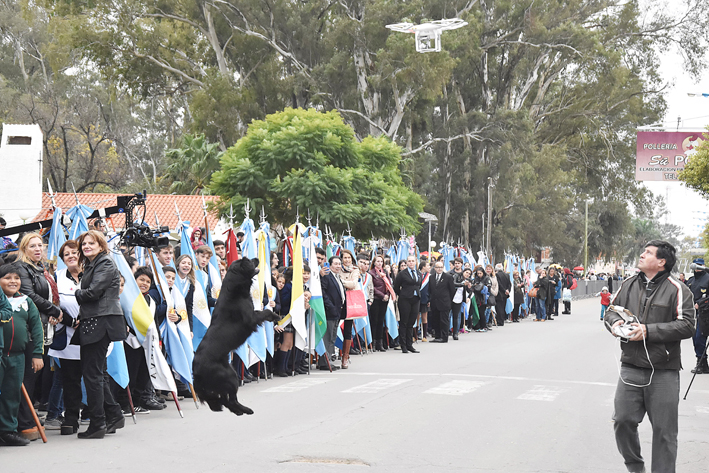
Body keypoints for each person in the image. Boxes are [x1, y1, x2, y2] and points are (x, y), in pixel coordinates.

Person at [606, 240, 695, 473]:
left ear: (661, 262)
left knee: (665, 432)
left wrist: (649, 331)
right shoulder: (628, 284)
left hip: (664, 371)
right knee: (622, 421)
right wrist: (615, 325)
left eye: (648, 253)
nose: (642, 255)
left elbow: (687, 325)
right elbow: (611, 311)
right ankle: (636, 467)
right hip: (630, 366)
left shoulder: (678, 289)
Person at [73, 230, 128, 439]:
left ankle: (97, 424)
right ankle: (113, 414)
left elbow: (92, 293)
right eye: (84, 244)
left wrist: (76, 293)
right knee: (97, 372)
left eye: (91, 243)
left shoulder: (104, 263)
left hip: (100, 321)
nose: (86, 246)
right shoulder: (94, 263)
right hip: (96, 320)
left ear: (101, 245)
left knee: (93, 374)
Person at [13, 232, 62, 440]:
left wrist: (55, 312)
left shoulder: (41, 269)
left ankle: (27, 417)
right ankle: (24, 423)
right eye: (32, 246)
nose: (37, 249)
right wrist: (54, 310)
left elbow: (49, 295)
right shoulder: (21, 268)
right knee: (27, 378)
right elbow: (29, 295)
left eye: (40, 245)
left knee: (34, 376)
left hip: (45, 329)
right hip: (30, 330)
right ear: (24, 249)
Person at [0, 265, 44, 446]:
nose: (13, 281)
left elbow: (36, 328)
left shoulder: (26, 301)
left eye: (16, 278)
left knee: (12, 396)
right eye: (7, 277)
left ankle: (7, 432)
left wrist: (37, 354)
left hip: (17, 357)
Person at [49, 241, 84, 435]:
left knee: (95, 378)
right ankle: (71, 418)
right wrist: (69, 321)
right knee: (70, 380)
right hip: (67, 335)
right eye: (66, 254)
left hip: (92, 333)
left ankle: (98, 415)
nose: (71, 256)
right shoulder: (57, 277)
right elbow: (52, 302)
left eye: (74, 252)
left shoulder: (93, 273)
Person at [319, 256, 346, 370]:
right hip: (329, 311)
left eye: (339, 264)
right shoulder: (327, 277)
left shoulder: (337, 277)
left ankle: (327, 360)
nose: (338, 266)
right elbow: (323, 293)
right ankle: (326, 361)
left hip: (338, 311)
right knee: (328, 337)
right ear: (330, 265)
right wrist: (331, 307)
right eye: (335, 264)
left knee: (333, 337)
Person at [393, 255, 421, 353]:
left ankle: (410, 345)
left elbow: (419, 285)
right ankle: (403, 345)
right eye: (409, 261)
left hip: (416, 299)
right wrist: (402, 294)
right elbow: (396, 287)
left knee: (411, 322)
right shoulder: (402, 274)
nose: (411, 263)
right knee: (404, 322)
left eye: (413, 261)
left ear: (415, 262)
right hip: (405, 299)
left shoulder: (418, 273)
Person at [686, 258, 709, 374]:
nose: (698, 268)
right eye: (696, 265)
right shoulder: (690, 281)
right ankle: (702, 363)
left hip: (706, 313)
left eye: (700, 265)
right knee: (697, 339)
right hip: (695, 315)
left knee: (700, 337)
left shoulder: (708, 278)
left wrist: (700, 304)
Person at [339, 250, 361, 366]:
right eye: (345, 257)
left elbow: (353, 284)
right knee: (334, 329)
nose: (347, 260)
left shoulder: (355, 270)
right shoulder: (337, 268)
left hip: (349, 302)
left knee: (348, 329)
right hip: (337, 301)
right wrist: (346, 282)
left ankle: (345, 357)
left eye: (349, 257)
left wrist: (339, 281)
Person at [428, 261, 455, 343]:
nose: (439, 269)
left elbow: (452, 290)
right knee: (436, 320)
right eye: (437, 267)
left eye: (441, 267)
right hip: (434, 302)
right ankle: (437, 336)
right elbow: (430, 290)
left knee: (444, 320)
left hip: (444, 302)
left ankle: (444, 337)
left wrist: (448, 300)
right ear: (435, 268)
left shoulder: (448, 277)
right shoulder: (431, 277)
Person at [369, 255, 390, 352]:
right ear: (374, 262)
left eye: (381, 261)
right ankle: (373, 342)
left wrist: (387, 295)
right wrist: (382, 295)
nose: (379, 263)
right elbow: (372, 287)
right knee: (374, 321)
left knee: (381, 321)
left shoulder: (384, 272)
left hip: (384, 300)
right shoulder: (371, 273)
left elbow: (389, 284)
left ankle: (380, 342)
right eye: (377, 261)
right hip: (376, 299)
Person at [472, 266, 491, 332]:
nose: (479, 275)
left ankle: (484, 326)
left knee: (482, 312)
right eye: (478, 273)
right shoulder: (476, 279)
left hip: (484, 298)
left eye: (480, 273)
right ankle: (478, 326)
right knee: (477, 312)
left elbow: (488, 287)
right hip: (477, 297)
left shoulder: (486, 278)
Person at [418, 261, 431, 340]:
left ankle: (424, 336)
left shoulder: (429, 276)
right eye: (427, 266)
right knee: (416, 317)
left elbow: (431, 289)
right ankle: (415, 335)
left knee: (424, 317)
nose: (429, 267)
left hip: (425, 298)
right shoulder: (417, 274)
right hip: (416, 298)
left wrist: (429, 300)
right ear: (423, 267)